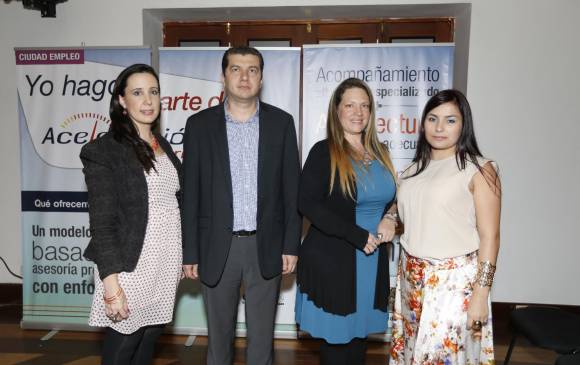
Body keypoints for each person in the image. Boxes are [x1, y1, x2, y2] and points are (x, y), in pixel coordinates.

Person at [181, 46, 301, 365]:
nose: (244, 77)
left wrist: (291, 245)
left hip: (267, 245)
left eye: (252, 70)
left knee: (262, 342)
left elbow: (292, 191)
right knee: (218, 342)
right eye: (236, 69)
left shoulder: (282, 123)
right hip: (217, 247)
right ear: (223, 77)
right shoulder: (199, 125)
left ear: (261, 78)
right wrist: (190, 252)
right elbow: (190, 193)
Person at [80, 64, 183, 365]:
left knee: (148, 341)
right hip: (130, 266)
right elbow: (102, 222)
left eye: (153, 92)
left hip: (165, 261)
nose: (148, 100)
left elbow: (175, 201)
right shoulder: (104, 150)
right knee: (124, 344)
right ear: (122, 101)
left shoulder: (162, 145)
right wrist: (111, 284)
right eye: (137, 92)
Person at [389, 89, 501, 365]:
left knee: (443, 358)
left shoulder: (480, 169)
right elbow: (411, 213)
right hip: (410, 280)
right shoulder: (412, 171)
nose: (439, 127)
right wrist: (390, 217)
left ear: (464, 125)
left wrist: (481, 293)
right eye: (432, 118)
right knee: (412, 354)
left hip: (455, 285)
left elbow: (491, 236)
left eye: (450, 120)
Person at [295, 78, 398, 365]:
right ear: (336, 110)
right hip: (335, 260)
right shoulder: (323, 152)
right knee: (338, 343)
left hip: (371, 261)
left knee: (359, 339)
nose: (358, 112)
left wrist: (390, 216)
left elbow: (394, 197)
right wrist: (355, 235)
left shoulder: (381, 153)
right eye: (350, 105)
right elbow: (307, 204)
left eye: (364, 105)